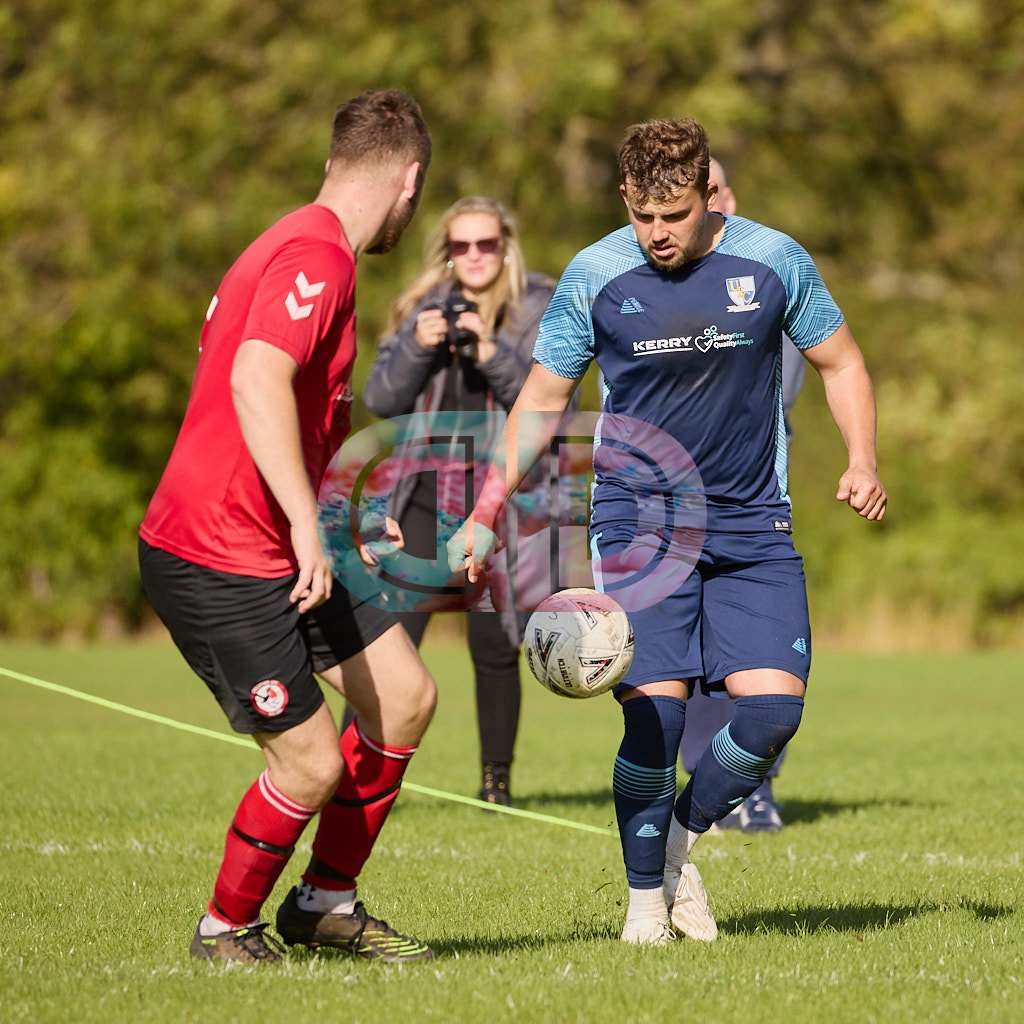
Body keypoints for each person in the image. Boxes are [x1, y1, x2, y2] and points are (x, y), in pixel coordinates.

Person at [449, 117, 886, 945]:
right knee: (655, 719)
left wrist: (862, 458)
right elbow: (542, 399)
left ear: (708, 196)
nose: (657, 233)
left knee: (771, 716)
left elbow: (843, 363)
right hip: (639, 523)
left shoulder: (773, 260)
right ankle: (645, 905)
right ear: (625, 197)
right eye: (642, 215)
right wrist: (485, 509)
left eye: (675, 216)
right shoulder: (596, 275)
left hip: (753, 519)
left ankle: (677, 839)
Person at [139, 90, 439, 964]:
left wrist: (349, 514)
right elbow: (255, 378)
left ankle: (325, 904)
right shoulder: (318, 254)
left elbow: (304, 415)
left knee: (405, 698)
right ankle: (223, 929)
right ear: (409, 180)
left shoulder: (304, 243)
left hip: (285, 539)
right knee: (309, 765)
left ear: (334, 161)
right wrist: (312, 529)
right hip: (218, 553)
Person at [361, 197, 556, 807]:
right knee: (390, 639)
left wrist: (491, 351)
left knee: (493, 646)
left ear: (506, 246)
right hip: (422, 493)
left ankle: (496, 784)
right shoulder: (422, 306)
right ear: (447, 251)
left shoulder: (536, 306)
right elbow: (381, 398)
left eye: (486, 244)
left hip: (498, 497)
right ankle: (356, 774)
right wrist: (417, 346)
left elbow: (548, 401)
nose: (474, 256)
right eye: (461, 245)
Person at [679, 157, 807, 833]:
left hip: (752, 494)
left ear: (726, 198)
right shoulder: (645, 280)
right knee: (693, 655)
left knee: (762, 656)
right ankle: (705, 784)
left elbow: (788, 379)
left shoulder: (770, 270)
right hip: (669, 501)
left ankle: (757, 788)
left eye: (713, 192)